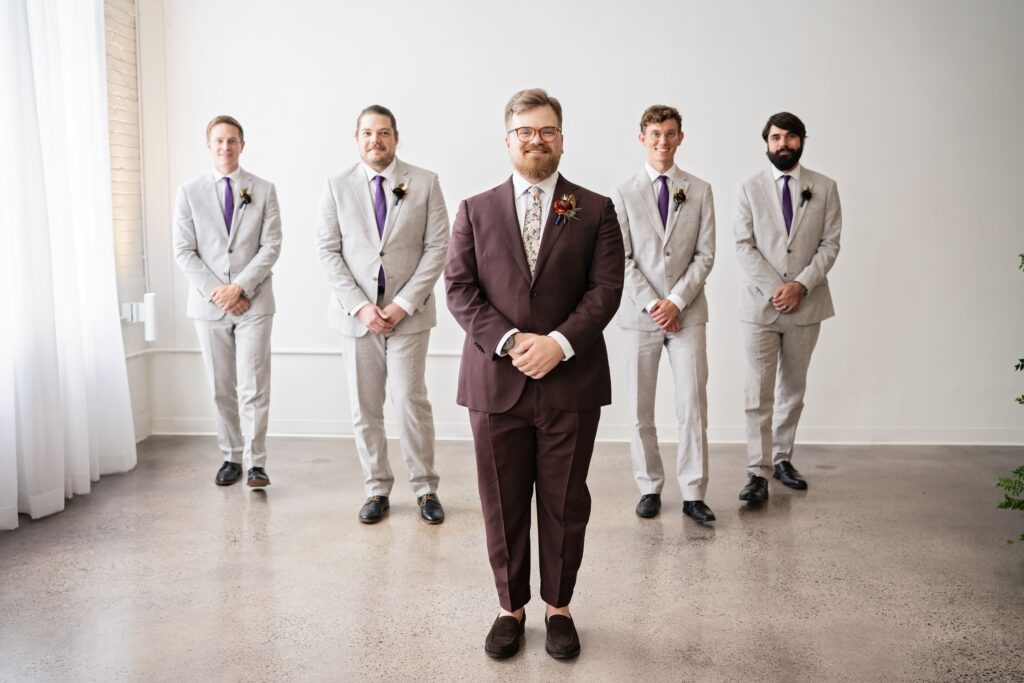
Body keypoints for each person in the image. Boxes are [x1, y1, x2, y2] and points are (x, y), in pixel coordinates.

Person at [445, 88, 624, 660]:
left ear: (562, 139)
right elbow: (459, 287)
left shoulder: (594, 209)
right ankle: (510, 607)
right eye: (525, 131)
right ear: (508, 139)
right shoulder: (474, 209)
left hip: (570, 383)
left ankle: (559, 606)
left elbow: (606, 290)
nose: (536, 140)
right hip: (496, 384)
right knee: (501, 501)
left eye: (546, 131)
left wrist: (559, 344)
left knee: (565, 501)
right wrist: (511, 340)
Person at [315, 105, 450, 524]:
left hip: (409, 315)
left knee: (411, 401)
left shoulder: (425, 182)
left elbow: (437, 249)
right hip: (357, 319)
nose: (376, 140)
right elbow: (327, 250)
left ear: (396, 137)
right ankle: (376, 488)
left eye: (385, 132)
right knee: (365, 407)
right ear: (357, 139)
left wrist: (401, 304)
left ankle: (426, 488)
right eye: (368, 133)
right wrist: (360, 306)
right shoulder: (336, 185)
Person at [612, 104, 716, 523]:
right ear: (642, 138)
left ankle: (693, 491)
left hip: (688, 314)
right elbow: (620, 258)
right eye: (655, 134)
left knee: (692, 403)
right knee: (641, 407)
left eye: (670, 133)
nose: (662, 141)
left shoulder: (700, 189)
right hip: (641, 315)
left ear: (680, 137)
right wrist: (656, 304)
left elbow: (705, 255)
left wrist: (677, 300)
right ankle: (649, 486)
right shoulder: (623, 192)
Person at [734, 111, 842, 502]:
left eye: (791, 137)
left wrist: (800, 285)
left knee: (793, 389)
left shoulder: (825, 187)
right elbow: (742, 245)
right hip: (760, 308)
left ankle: (782, 459)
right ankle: (757, 472)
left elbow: (830, 244)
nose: (783, 144)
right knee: (756, 393)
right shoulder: (748, 189)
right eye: (776, 137)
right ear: (766, 143)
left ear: (802, 141)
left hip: (806, 306)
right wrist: (777, 289)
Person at [173, 115, 282, 488]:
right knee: (221, 386)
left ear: (242, 145)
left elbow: (271, 246)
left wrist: (241, 288)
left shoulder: (263, 189)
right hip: (209, 305)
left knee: (254, 385)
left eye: (232, 140)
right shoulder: (189, 192)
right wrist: (219, 292)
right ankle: (230, 456)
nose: (225, 147)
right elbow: (184, 251)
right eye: (219, 141)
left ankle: (256, 463)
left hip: (254, 303)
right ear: (209, 145)